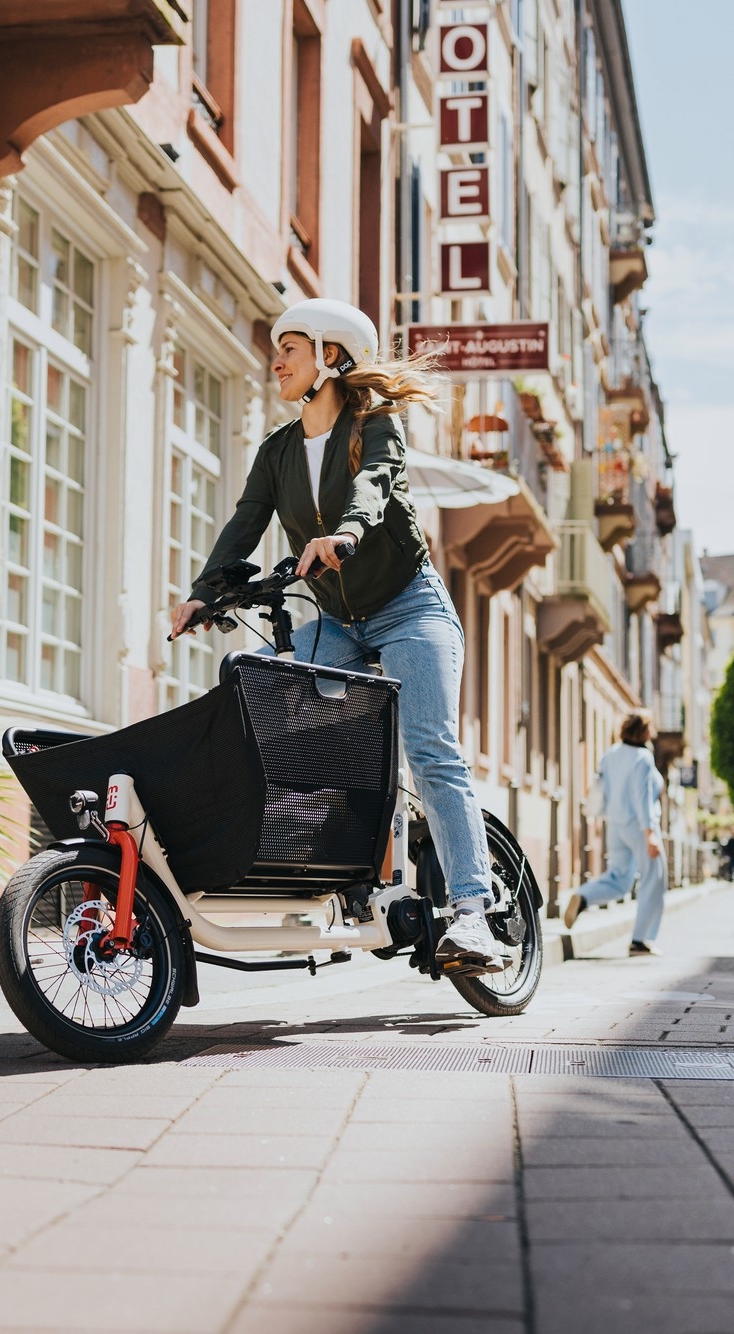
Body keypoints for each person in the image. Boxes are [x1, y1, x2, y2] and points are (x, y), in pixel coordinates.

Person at [169, 299, 511, 975]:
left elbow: (375, 488)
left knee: (431, 750)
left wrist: (348, 534)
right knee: (255, 691)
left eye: (290, 348)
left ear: (331, 357)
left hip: (411, 608)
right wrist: (202, 594)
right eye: (278, 349)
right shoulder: (278, 451)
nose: (277, 360)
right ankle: (343, 874)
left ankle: (473, 914)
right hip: (340, 625)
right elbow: (244, 524)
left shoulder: (372, 425)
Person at [562, 713, 667, 956]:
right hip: (639, 826)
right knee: (654, 879)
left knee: (619, 879)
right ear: (643, 731)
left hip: (615, 825)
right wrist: (650, 832)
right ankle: (640, 940)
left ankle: (584, 896)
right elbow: (641, 796)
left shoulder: (610, 754)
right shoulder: (642, 757)